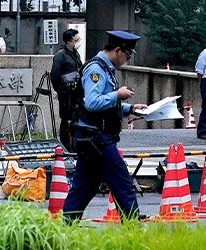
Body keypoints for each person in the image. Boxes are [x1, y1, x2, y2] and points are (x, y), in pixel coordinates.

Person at [61, 30, 147, 221]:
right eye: (127, 55)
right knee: (121, 180)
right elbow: (92, 103)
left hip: (91, 137)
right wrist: (117, 94)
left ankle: (65, 225)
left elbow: (103, 105)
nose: (126, 60)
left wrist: (130, 108)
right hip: (96, 138)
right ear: (118, 51)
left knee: (85, 185)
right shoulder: (96, 70)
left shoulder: (105, 68)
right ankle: (133, 226)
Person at [49, 27, 84, 147]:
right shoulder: (60, 55)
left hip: (76, 92)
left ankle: (74, 144)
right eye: (75, 40)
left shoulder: (75, 53)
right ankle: (65, 145)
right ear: (68, 42)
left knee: (75, 117)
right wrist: (60, 90)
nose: (77, 43)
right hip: (66, 93)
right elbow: (54, 75)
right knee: (66, 118)